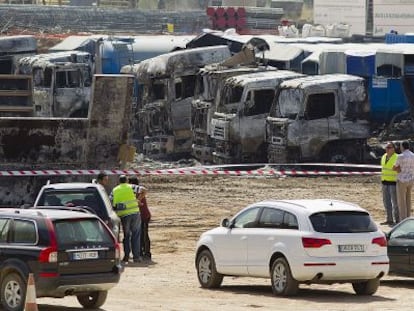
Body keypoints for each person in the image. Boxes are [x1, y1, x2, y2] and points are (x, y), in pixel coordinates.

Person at [111, 175, 141, 264]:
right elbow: (144, 190)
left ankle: (126, 256)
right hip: (134, 213)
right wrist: (138, 200)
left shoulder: (114, 190)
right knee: (135, 235)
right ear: (127, 180)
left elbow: (111, 201)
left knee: (126, 236)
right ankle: (136, 257)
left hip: (123, 215)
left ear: (119, 181)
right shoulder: (131, 187)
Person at [129, 176, 152, 261]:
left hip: (143, 216)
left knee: (144, 235)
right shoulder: (133, 192)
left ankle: (147, 253)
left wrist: (137, 200)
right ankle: (141, 252)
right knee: (139, 235)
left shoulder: (139, 191)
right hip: (138, 217)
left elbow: (145, 191)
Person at [393, 141, 414, 221]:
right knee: (408, 199)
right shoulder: (413, 155)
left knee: (402, 201)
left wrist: (399, 169)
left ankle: (403, 220)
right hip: (411, 179)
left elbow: (394, 167)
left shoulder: (400, 156)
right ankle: (408, 218)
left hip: (402, 179)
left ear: (402, 147)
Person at [380, 142, 399, 225]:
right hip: (384, 182)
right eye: (386, 147)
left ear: (393, 149)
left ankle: (398, 220)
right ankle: (389, 219)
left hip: (393, 182)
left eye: (389, 147)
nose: (387, 149)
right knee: (386, 202)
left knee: (395, 203)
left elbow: (399, 169)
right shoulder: (384, 156)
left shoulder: (397, 157)